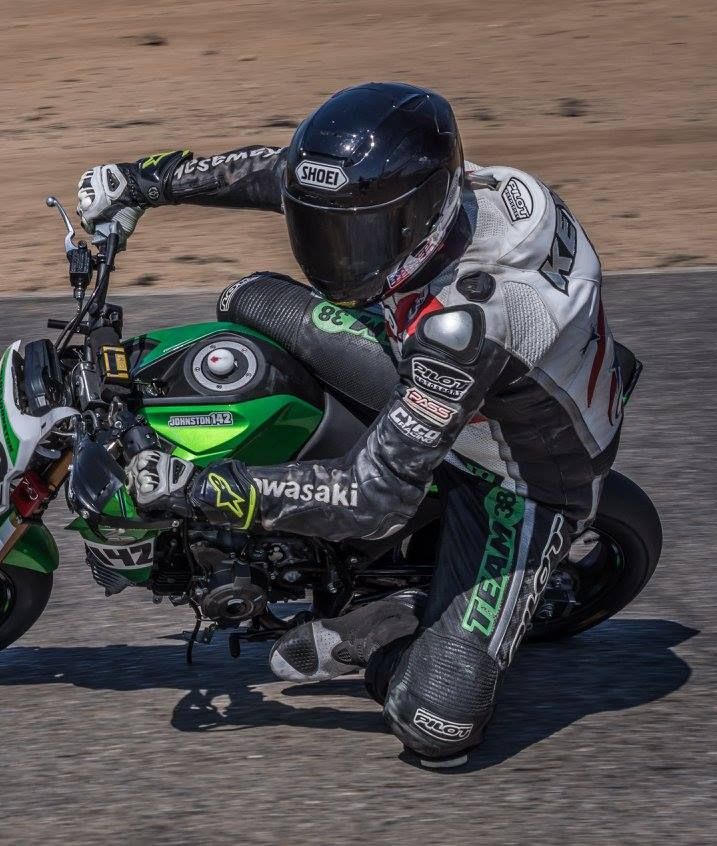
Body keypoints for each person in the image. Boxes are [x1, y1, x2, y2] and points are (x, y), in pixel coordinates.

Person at [75, 82, 625, 767]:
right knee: (247, 297)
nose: (336, 257)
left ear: (424, 214)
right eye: (325, 232)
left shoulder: (470, 319)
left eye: (357, 238)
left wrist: (204, 489)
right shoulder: (444, 192)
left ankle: (389, 624)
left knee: (437, 728)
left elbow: (373, 497)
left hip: (519, 472)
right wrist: (141, 183)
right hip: (448, 371)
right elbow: (275, 173)